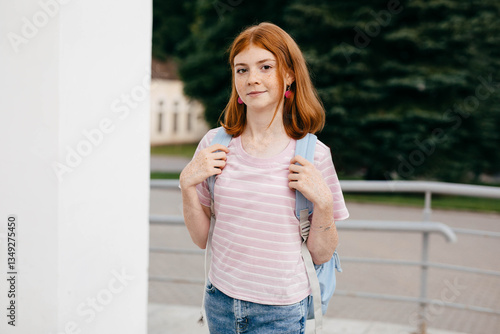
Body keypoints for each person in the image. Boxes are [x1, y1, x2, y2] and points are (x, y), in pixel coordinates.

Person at [179, 22, 349, 334]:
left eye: (265, 67)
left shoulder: (313, 154)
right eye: (241, 69)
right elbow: (202, 238)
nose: (252, 79)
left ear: (288, 74)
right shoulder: (214, 146)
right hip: (219, 300)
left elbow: (322, 253)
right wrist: (187, 184)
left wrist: (323, 202)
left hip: (281, 311)